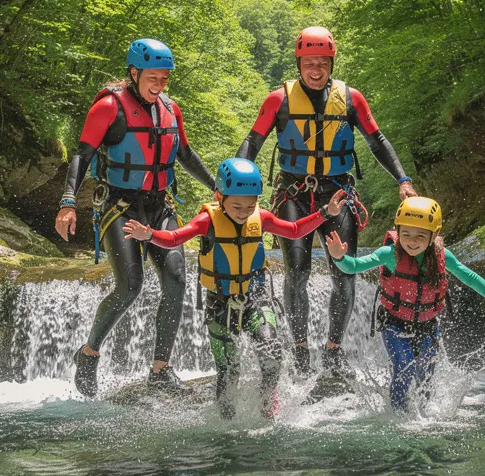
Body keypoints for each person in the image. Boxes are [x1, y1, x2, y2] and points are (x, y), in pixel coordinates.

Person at [236, 26, 416, 378]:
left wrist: (403, 180)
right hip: (294, 195)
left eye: (321, 63)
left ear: (331, 63)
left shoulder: (351, 99)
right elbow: (252, 143)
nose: (315, 70)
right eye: (308, 63)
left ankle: (334, 351)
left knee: (344, 272)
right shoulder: (278, 100)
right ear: (298, 63)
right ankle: (301, 349)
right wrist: (233, 185)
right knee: (298, 272)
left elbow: (377, 140)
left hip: (337, 194)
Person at [124, 158, 350, 418]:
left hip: (256, 297)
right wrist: (150, 235)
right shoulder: (206, 221)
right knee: (228, 373)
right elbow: (176, 237)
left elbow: (296, 230)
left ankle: (267, 406)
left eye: (250, 205)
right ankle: (225, 424)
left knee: (272, 353)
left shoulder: (261, 217)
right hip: (219, 303)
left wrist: (325, 213)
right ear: (220, 196)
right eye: (237, 206)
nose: (244, 212)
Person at [56, 38, 215, 397]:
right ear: (134, 73)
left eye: (164, 79)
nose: (159, 86)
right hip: (121, 206)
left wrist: (216, 186)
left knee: (176, 281)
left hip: (160, 207)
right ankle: (89, 352)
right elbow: (82, 155)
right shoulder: (109, 108)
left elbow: (185, 154)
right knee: (130, 287)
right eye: (152, 78)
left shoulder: (172, 110)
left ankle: (160, 370)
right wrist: (67, 201)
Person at [325, 197, 485, 412]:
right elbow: (353, 266)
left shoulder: (442, 256)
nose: (412, 241)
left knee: (426, 373)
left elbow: (470, 277)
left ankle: (424, 414)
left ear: (434, 235)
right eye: (406, 234)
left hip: (428, 324)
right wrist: (339, 257)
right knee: (404, 367)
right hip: (394, 323)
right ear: (398, 231)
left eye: (420, 236)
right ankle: (400, 418)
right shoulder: (389, 254)